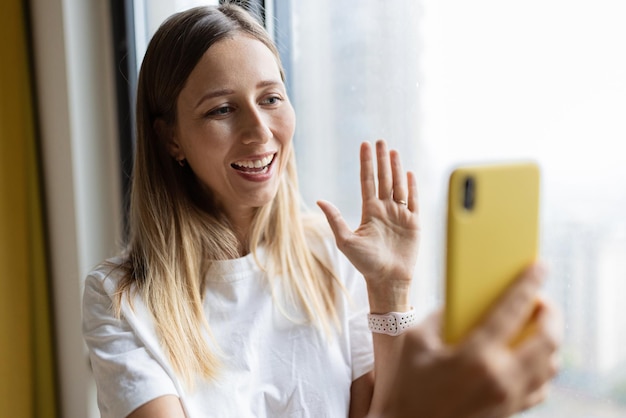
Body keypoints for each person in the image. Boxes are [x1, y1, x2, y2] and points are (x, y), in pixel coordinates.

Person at [82, 4, 561, 418]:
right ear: (171, 139)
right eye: (222, 110)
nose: (260, 131)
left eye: (271, 98)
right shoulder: (121, 300)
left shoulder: (332, 257)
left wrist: (389, 289)